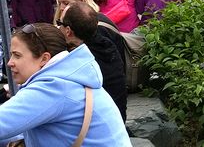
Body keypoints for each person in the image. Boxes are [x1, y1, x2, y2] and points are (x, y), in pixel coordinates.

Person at [0, 23, 131, 146]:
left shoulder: (53, 88)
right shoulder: (70, 75)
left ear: (44, 58)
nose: (9, 63)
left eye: (17, 55)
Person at [58, 2, 127, 121]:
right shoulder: (107, 46)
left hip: (97, 128)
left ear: (68, 31)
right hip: (118, 121)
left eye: (60, 23)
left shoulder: (78, 61)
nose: (58, 27)